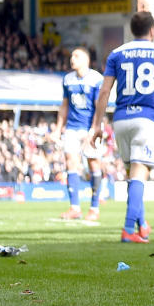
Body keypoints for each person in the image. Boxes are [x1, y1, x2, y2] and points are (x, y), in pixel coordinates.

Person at [89, 11, 154, 243]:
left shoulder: (117, 54)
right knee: (140, 174)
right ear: (152, 31)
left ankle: (142, 224)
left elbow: (105, 91)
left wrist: (97, 125)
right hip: (146, 119)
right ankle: (128, 229)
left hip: (120, 120)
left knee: (132, 174)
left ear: (131, 31)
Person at [54, 47, 104, 221]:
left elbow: (99, 106)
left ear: (86, 60)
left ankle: (94, 208)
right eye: (71, 56)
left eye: (76, 56)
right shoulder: (67, 79)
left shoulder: (97, 79)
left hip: (91, 127)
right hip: (72, 128)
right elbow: (65, 105)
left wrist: (94, 129)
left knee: (94, 165)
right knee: (70, 163)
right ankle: (75, 208)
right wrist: (58, 128)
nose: (72, 59)